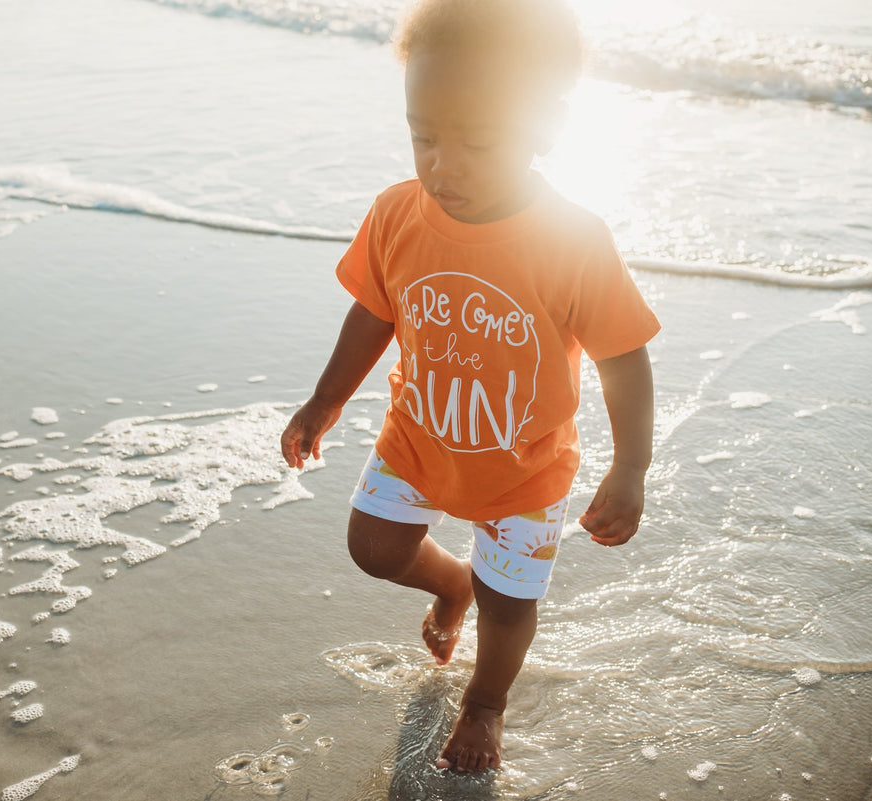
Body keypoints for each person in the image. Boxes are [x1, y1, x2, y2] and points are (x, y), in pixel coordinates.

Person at [279, 0, 660, 774]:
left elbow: (623, 357)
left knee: (510, 602)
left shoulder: (572, 239)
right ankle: (451, 583)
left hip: (524, 467)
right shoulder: (397, 212)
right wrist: (327, 398)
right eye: (423, 136)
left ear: (544, 130)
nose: (442, 165)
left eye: (477, 142)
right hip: (418, 434)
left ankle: (486, 702)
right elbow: (374, 309)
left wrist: (630, 467)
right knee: (374, 545)